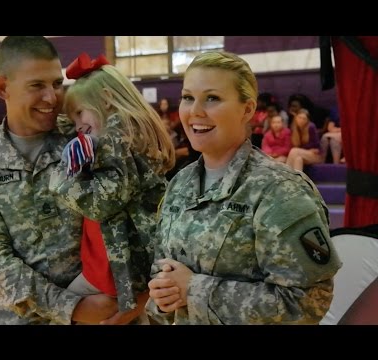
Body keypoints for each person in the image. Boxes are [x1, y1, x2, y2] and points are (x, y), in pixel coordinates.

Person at [146, 51, 342, 325]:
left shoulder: (280, 191)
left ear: (247, 109)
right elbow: (163, 270)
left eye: (212, 98)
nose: (194, 111)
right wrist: (164, 295)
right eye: (188, 97)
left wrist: (194, 289)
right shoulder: (180, 183)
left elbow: (307, 302)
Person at [0, 36, 122, 325]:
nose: (51, 97)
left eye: (56, 83)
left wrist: (135, 300)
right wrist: (72, 307)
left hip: (110, 314)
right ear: (3, 87)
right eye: (36, 86)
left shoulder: (87, 137)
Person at [49, 52, 175, 324]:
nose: (78, 127)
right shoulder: (119, 133)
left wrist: (60, 179)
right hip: (116, 265)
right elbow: (69, 124)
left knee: (59, 313)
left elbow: (102, 202)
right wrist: (70, 111)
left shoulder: (115, 139)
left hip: (113, 268)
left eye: (80, 113)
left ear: (105, 100)